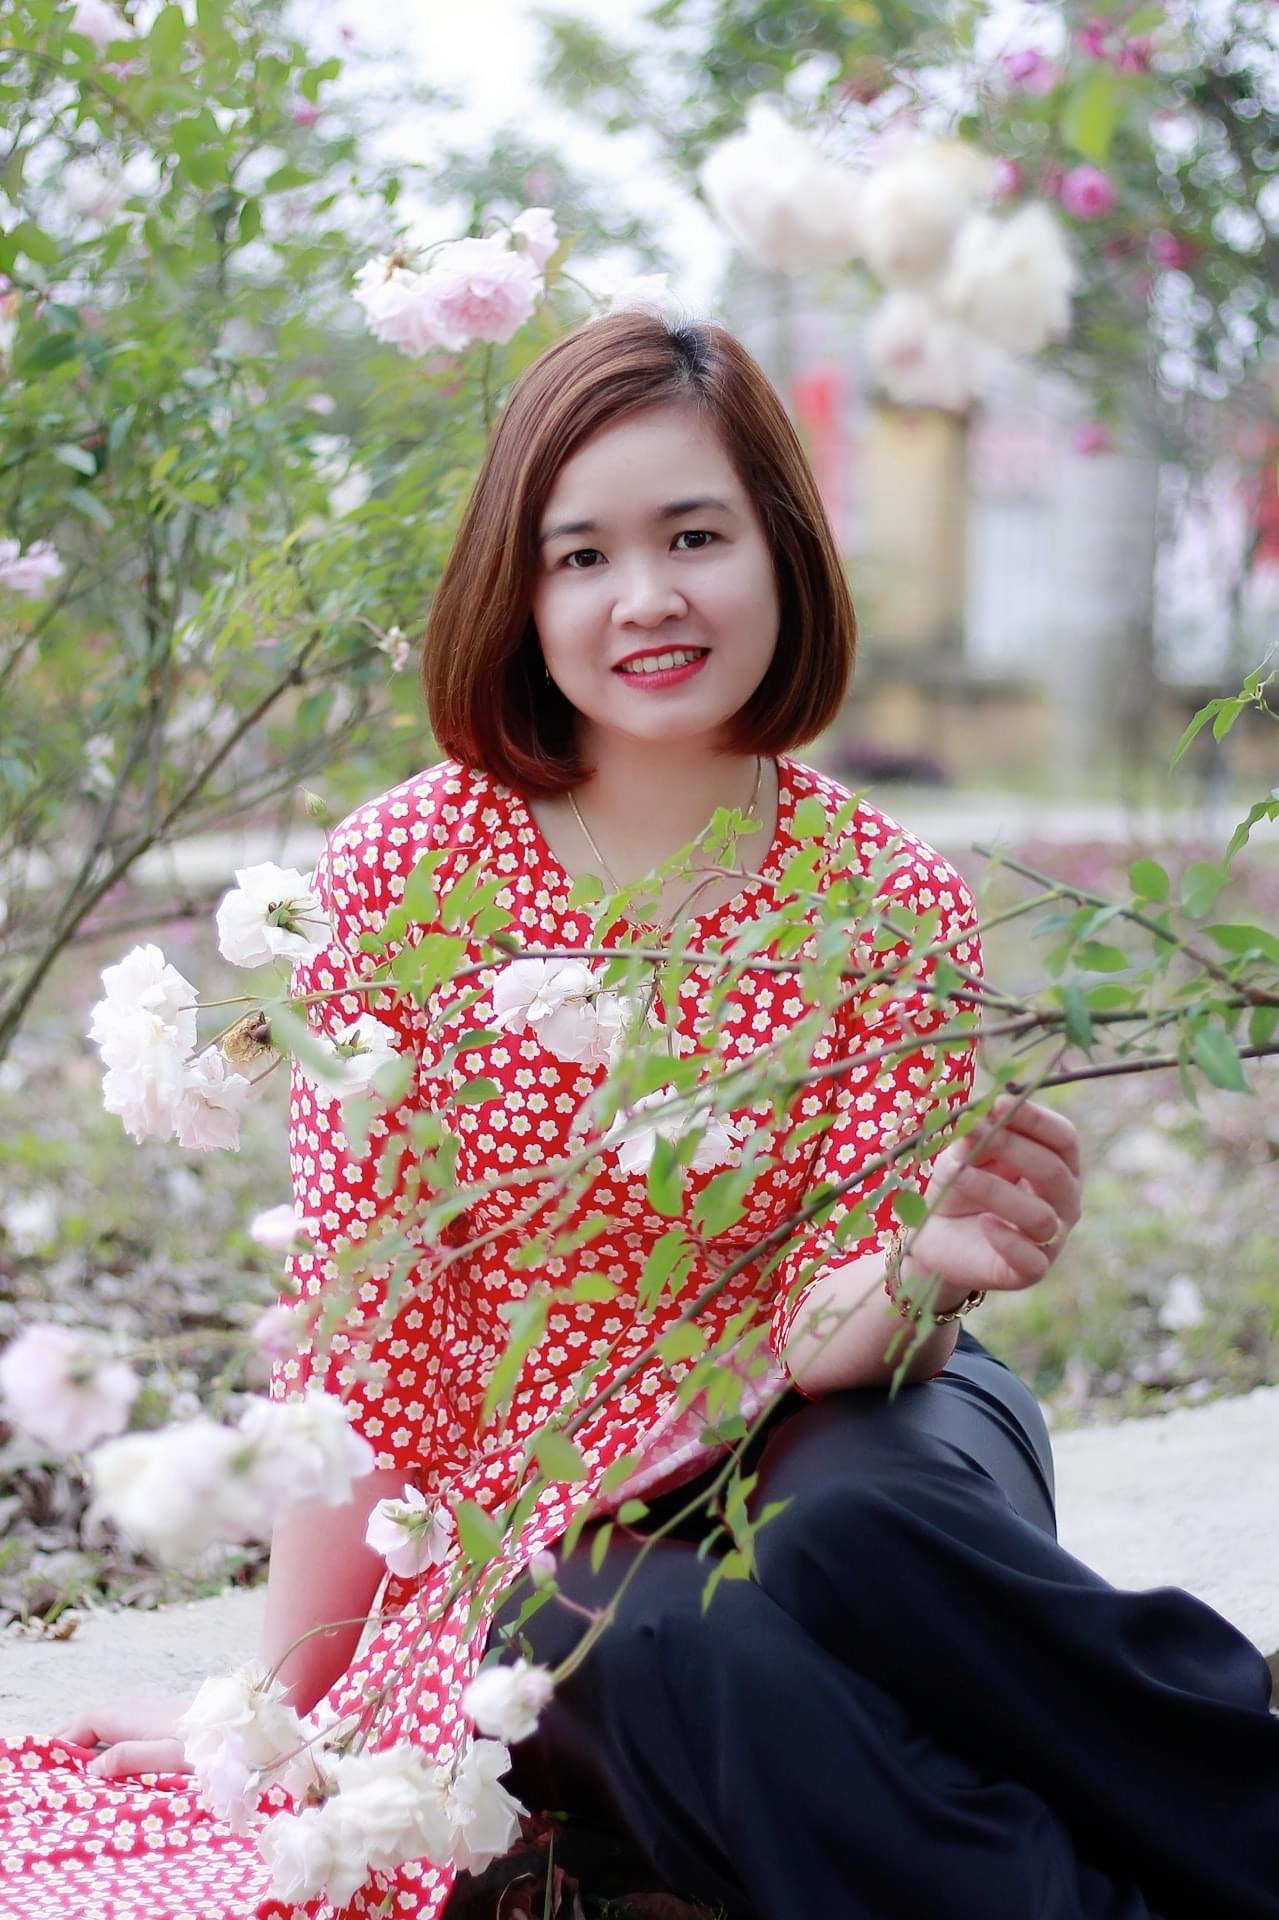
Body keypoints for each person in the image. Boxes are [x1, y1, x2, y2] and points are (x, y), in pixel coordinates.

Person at [3, 311, 1276, 1920]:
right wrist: (290, 1712)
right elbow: (368, 1334)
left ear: (781, 552)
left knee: (843, 1530)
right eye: (583, 555)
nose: (647, 596)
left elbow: (836, 1314)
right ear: (521, 595)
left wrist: (921, 1269)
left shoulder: (886, 897)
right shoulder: (405, 881)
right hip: (545, 1503)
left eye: (694, 536)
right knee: (652, 1640)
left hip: (860, 1403)